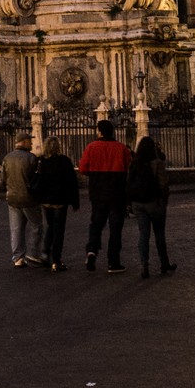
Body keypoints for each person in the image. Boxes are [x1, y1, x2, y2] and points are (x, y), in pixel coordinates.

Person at [78, 119, 133, 272]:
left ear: (100, 132)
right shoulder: (121, 148)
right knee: (115, 228)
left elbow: (83, 168)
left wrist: (95, 175)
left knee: (96, 224)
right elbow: (129, 166)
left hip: (98, 192)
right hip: (117, 193)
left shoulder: (91, 147)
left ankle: (92, 250)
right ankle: (113, 262)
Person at [127, 136, 176, 278]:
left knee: (143, 234)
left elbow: (129, 182)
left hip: (138, 204)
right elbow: (163, 184)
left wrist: (130, 202)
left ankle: (144, 266)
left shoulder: (134, 163)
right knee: (159, 234)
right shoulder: (157, 163)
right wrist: (164, 200)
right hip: (154, 202)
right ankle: (164, 263)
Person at [33, 136, 79, 271]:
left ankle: (45, 253)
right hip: (60, 200)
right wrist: (75, 202)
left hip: (46, 201)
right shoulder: (65, 161)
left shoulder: (41, 161)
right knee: (59, 231)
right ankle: (56, 260)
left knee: (49, 227)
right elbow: (72, 183)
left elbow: (37, 180)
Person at [3, 133, 45, 267]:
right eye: (29, 141)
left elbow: (3, 178)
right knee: (36, 225)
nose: (31, 144)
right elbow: (37, 179)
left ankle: (18, 258)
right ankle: (33, 253)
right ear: (25, 142)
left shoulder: (7, 158)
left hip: (12, 198)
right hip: (29, 198)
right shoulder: (31, 158)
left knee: (16, 229)